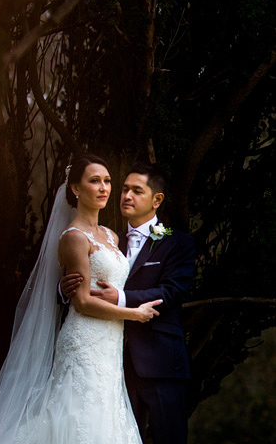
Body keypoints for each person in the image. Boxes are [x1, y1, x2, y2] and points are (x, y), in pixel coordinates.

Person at [0, 154, 161, 444]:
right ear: (76, 189)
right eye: (95, 181)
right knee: (78, 417)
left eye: (107, 181)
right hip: (84, 339)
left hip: (109, 344)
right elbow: (81, 302)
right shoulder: (74, 237)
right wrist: (135, 313)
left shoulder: (110, 237)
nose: (104, 187)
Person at [60, 162, 195, 444]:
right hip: (112, 363)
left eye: (137, 190)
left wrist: (122, 298)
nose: (126, 196)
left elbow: (171, 292)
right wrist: (64, 290)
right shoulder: (109, 240)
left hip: (160, 364)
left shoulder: (176, 241)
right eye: (124, 189)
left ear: (157, 200)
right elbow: (88, 280)